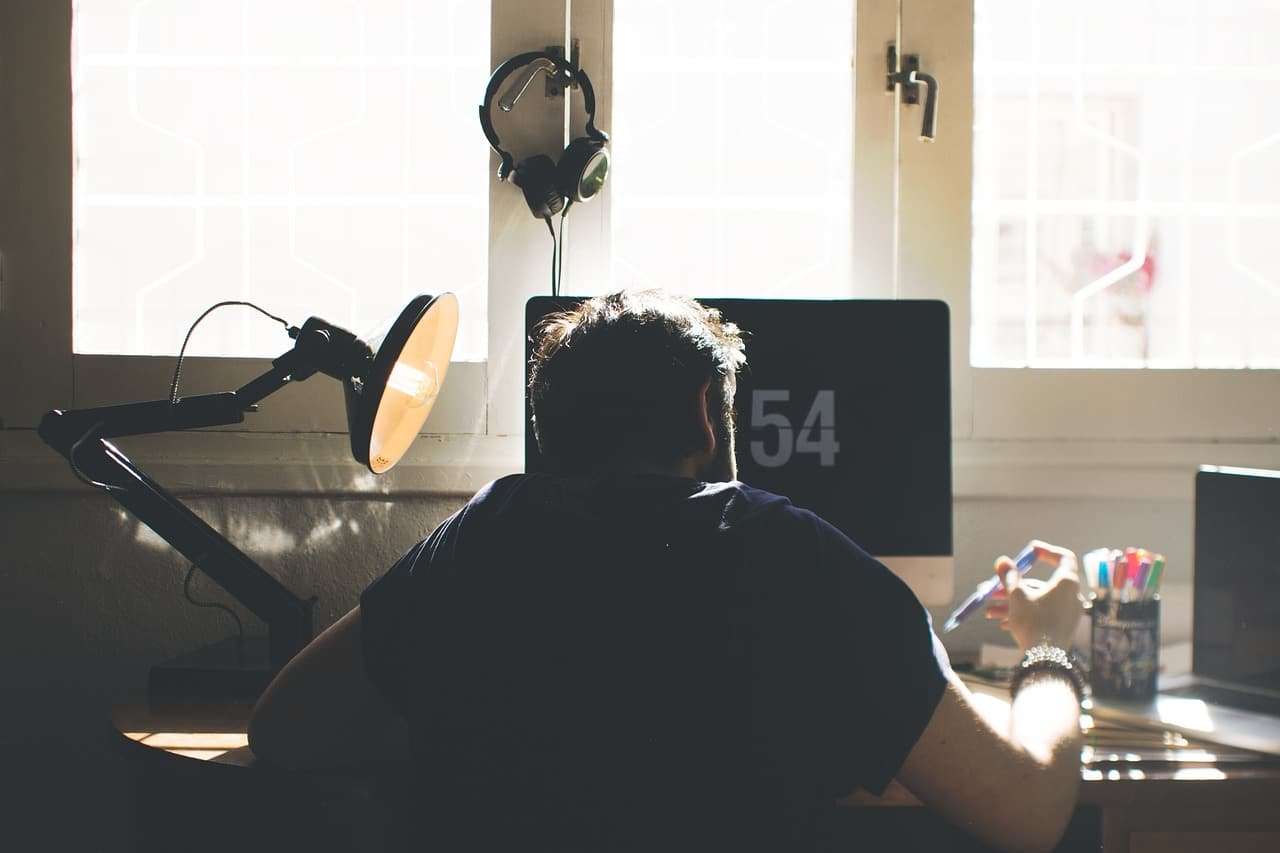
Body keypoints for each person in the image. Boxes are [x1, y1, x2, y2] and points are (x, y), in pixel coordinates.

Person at [249, 290, 1085, 852]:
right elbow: (1030, 813)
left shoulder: (484, 536)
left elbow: (282, 730)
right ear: (702, 414)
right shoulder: (796, 554)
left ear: (553, 427)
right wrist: (1047, 648)